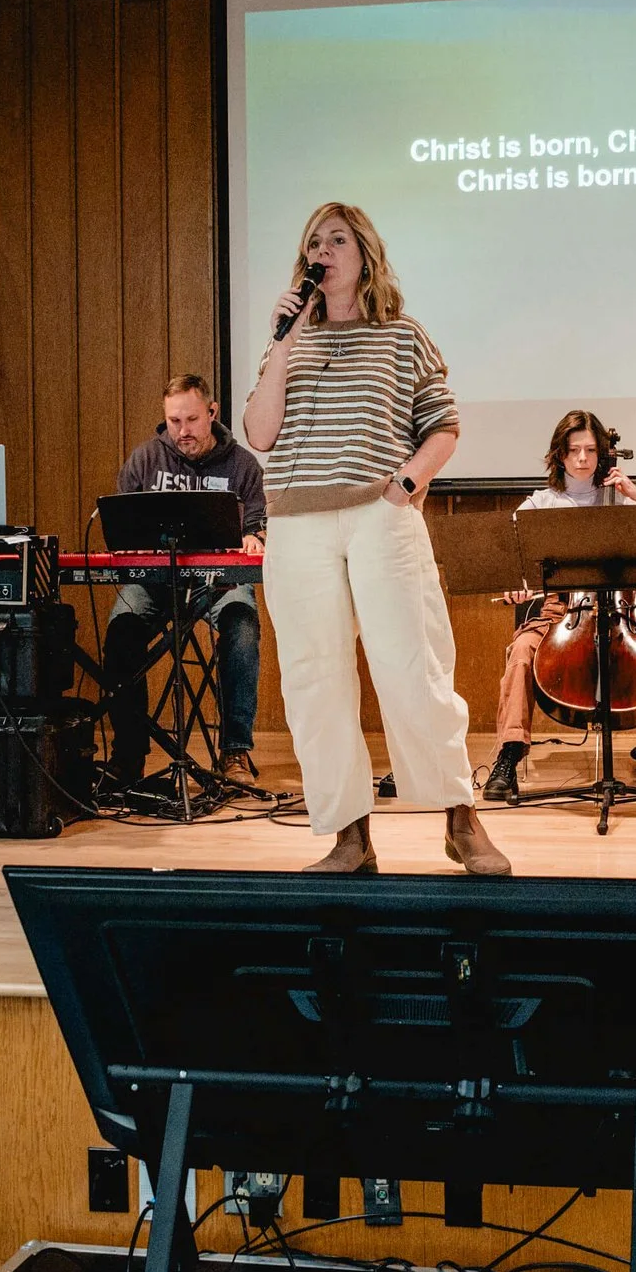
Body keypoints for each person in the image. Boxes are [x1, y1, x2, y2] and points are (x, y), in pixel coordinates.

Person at [242, 202, 510, 876]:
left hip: (378, 512)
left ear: (364, 253)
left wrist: (406, 484)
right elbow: (260, 433)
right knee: (313, 679)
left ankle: (460, 818)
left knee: (413, 666)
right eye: (313, 241)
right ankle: (349, 835)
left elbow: (443, 427)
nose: (323, 249)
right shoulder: (288, 340)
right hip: (297, 520)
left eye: (337, 238)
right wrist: (282, 344)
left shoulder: (401, 335)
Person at [486, 411, 636, 800]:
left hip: (622, 615)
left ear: (603, 453)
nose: (582, 459)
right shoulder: (542, 504)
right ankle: (510, 752)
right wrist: (516, 587)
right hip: (560, 614)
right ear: (560, 455)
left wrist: (635, 494)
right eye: (573, 451)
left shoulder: (622, 499)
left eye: (590, 450)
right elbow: (510, 561)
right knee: (521, 655)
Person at [103, 374, 267, 786]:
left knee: (241, 624)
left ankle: (235, 752)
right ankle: (128, 756)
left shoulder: (243, 465)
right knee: (121, 628)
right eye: (174, 421)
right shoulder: (145, 460)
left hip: (219, 582)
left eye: (191, 419)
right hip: (155, 580)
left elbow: (260, 527)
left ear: (212, 413)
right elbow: (121, 529)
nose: (182, 430)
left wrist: (254, 537)